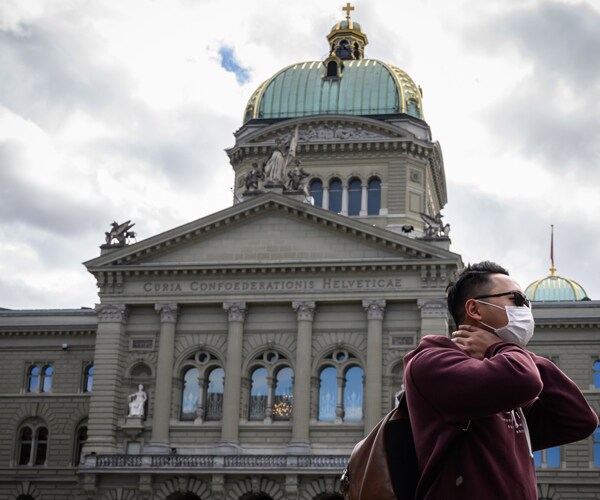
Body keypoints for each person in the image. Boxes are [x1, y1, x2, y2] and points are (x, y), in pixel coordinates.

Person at [403, 261, 598, 499]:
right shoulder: (433, 363)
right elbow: (524, 380)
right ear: (475, 309)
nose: (525, 310)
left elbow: (579, 419)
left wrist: (504, 350)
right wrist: (502, 347)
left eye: (527, 303)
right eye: (516, 300)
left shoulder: (505, 380)